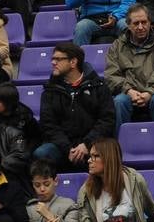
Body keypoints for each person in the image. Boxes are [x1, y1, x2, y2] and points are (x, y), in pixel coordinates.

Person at [35, 42, 116, 172]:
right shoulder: (50, 90)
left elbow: (106, 120)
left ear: (73, 62)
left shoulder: (99, 87)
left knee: (105, 152)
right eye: (53, 59)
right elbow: (48, 125)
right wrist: (68, 148)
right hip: (63, 147)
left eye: (58, 59)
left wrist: (87, 144)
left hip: (93, 144)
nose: (53, 63)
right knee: (42, 153)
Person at [106, 3, 154, 129]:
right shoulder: (117, 46)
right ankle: (119, 147)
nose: (140, 27)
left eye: (144, 22)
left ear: (150, 23)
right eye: (136, 23)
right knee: (119, 101)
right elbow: (111, 75)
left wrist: (149, 92)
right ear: (128, 25)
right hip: (128, 93)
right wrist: (129, 91)